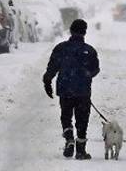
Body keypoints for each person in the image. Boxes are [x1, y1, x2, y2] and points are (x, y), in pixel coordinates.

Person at [43, 18, 100, 160]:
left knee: (66, 115)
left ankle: (69, 138)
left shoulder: (61, 48)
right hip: (82, 91)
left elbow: (52, 67)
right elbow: (95, 69)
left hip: (65, 88)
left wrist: (47, 81)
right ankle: (81, 150)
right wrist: (88, 74)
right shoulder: (89, 50)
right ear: (84, 32)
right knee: (82, 118)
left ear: (71, 31)